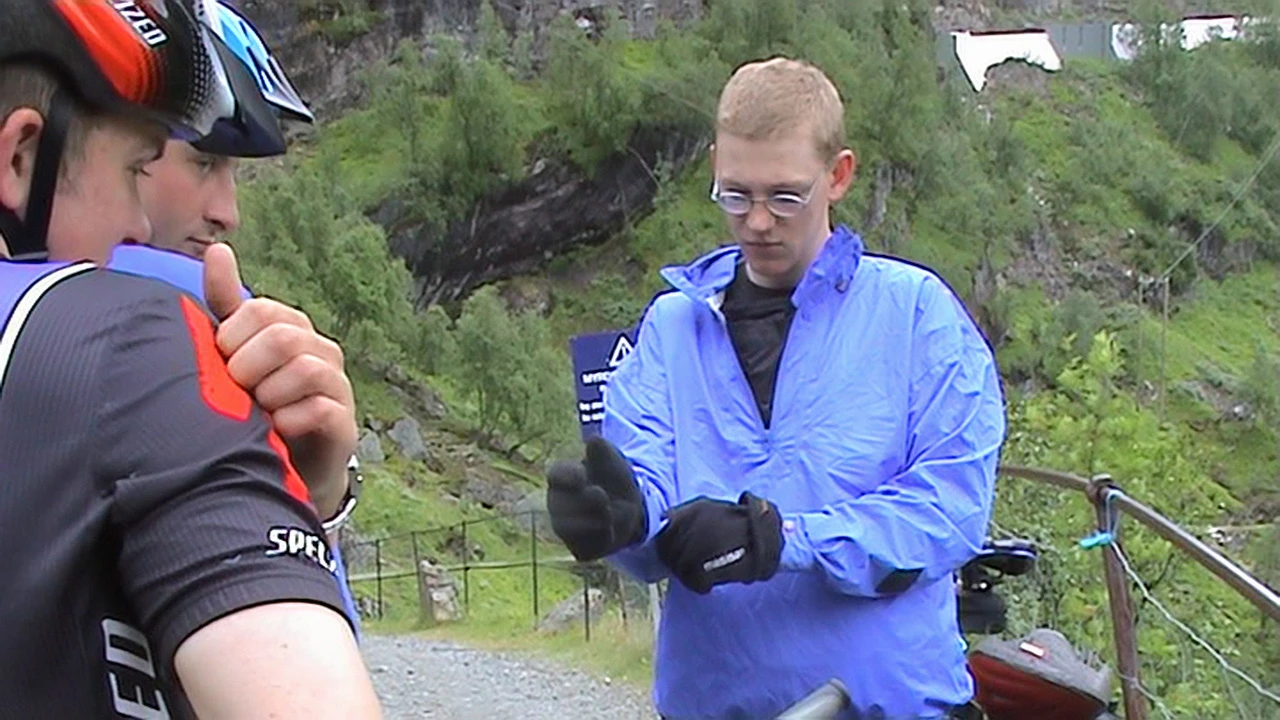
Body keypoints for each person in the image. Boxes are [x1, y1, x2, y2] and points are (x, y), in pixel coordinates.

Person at [546, 57, 1006, 719]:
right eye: (735, 194)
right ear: (714, 168)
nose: (758, 221)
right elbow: (650, 518)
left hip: (888, 706)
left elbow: (949, 510)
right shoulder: (671, 329)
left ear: (838, 175)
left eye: (785, 196)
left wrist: (783, 540)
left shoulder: (917, 313)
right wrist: (624, 521)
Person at [0, 2, 381, 718]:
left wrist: (311, 498)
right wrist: (301, 501)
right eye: (179, 160)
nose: (227, 211)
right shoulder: (142, 329)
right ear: (21, 156)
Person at [107, 0, 363, 630]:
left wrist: (320, 493)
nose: (228, 212)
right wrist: (319, 496)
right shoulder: (180, 294)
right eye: (204, 161)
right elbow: (314, 626)